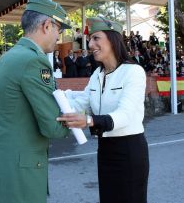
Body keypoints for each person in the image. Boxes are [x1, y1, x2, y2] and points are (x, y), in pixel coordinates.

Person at [0, 0, 71, 203]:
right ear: (46, 25)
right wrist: (83, 119)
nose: (58, 37)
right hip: (21, 169)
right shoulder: (34, 61)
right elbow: (52, 126)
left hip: (2, 163)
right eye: (59, 30)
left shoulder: (8, 57)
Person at [57, 16, 149, 203]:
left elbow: (125, 115)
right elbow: (82, 102)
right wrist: (50, 98)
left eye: (96, 38)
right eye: (90, 39)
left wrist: (90, 121)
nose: (90, 44)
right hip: (105, 150)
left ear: (113, 39)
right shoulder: (97, 74)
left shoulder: (133, 72)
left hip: (129, 151)